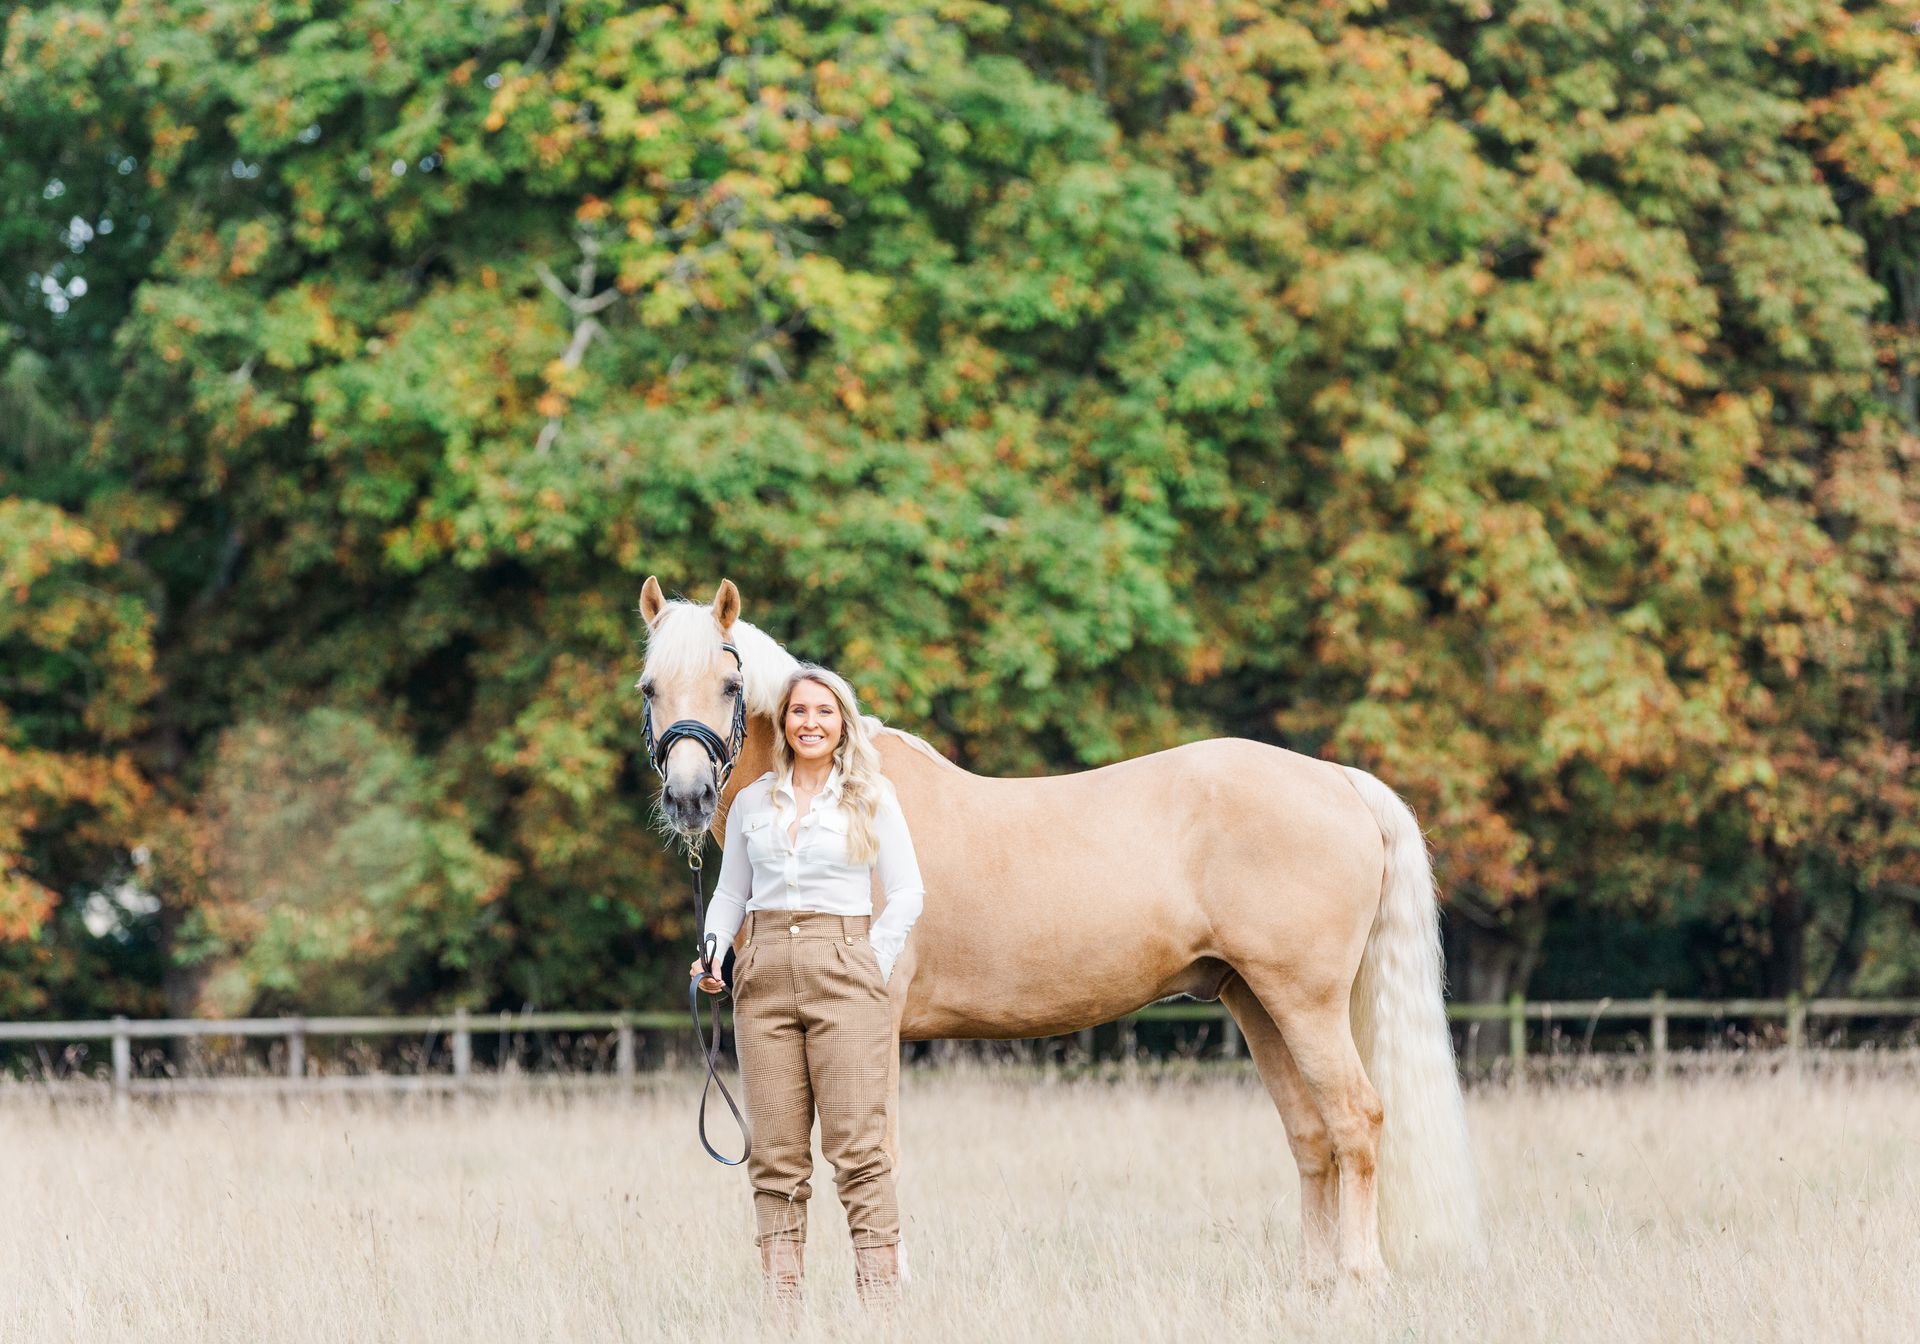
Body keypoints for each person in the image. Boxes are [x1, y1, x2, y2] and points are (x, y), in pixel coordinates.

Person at [690, 663, 925, 1311]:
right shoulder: (750, 803)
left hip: (845, 965)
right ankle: (782, 1307)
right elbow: (731, 891)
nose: (811, 723)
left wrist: (868, 962)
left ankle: (880, 1308)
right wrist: (713, 953)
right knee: (775, 1156)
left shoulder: (872, 796)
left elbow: (907, 892)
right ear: (783, 724)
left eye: (824, 712)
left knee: (859, 1150)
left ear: (842, 721)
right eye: (799, 712)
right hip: (762, 972)